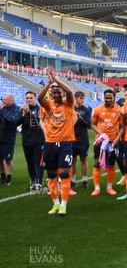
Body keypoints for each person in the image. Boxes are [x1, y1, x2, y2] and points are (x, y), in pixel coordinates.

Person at [37, 67, 76, 215]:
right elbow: (40, 98)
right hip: (50, 143)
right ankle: (55, 204)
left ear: (62, 93)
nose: (57, 94)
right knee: (52, 175)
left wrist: (57, 79)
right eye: (54, 93)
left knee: (64, 173)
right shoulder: (48, 105)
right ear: (51, 94)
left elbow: (70, 92)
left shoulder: (68, 104)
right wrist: (49, 83)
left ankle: (64, 205)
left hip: (65, 143)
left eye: (59, 92)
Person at [90, 89, 124, 196]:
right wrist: (101, 134)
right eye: (106, 98)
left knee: (112, 164)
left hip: (112, 142)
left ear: (114, 98)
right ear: (103, 97)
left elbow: (122, 126)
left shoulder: (119, 110)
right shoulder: (97, 109)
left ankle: (109, 187)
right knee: (97, 163)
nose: (108, 100)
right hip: (100, 141)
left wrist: (118, 138)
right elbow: (92, 124)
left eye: (110, 98)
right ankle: (97, 188)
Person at [17, 91, 45, 191]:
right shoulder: (23, 109)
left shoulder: (40, 109)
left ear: (35, 98)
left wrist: (28, 113)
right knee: (30, 163)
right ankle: (33, 182)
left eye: (31, 98)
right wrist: (23, 115)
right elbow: (16, 123)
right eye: (27, 98)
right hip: (26, 141)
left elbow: (38, 123)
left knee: (38, 163)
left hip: (38, 141)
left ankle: (38, 183)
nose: (28, 100)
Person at [70, 91, 92, 194]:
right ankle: (73, 181)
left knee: (84, 159)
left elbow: (89, 125)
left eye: (83, 98)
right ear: (76, 98)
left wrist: (81, 119)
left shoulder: (86, 110)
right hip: (72, 138)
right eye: (80, 98)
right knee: (72, 160)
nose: (82, 100)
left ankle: (84, 180)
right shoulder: (71, 109)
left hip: (83, 139)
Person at [0, 94, 22, 186]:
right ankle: (3, 177)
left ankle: (8, 179)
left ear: (11, 101)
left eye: (4, 100)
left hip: (8, 138)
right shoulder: (3, 109)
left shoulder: (17, 110)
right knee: (0, 159)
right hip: (0, 137)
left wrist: (2, 111)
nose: (3, 101)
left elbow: (12, 120)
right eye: (3, 99)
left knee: (8, 159)